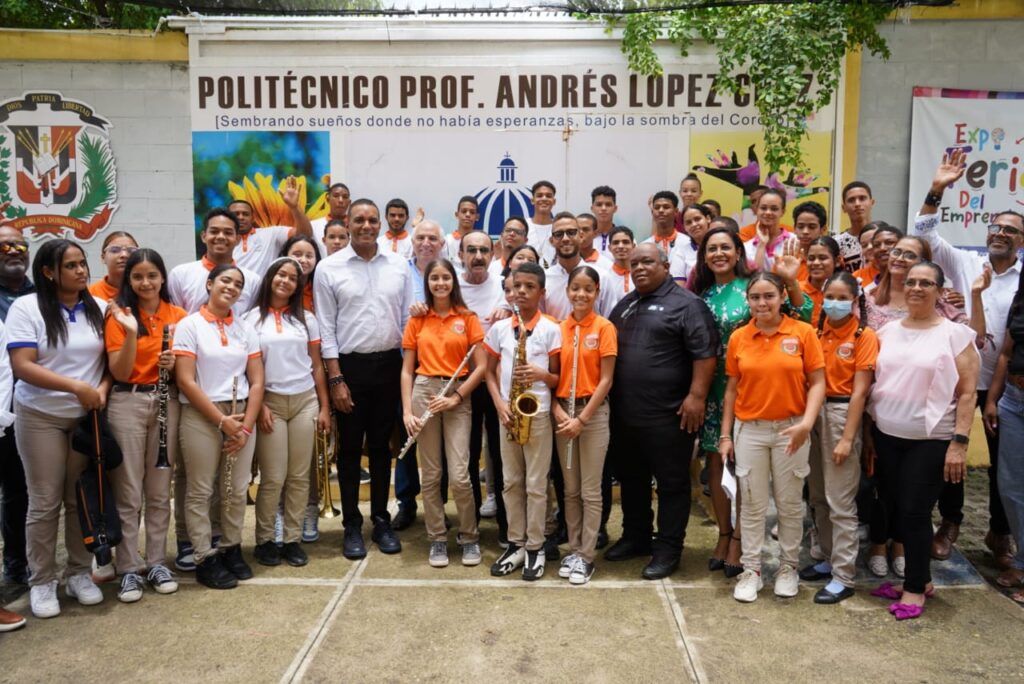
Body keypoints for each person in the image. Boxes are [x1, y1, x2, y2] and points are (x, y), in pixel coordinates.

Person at [915, 149, 1023, 568]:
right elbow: (924, 232)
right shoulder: (966, 262)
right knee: (951, 453)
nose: (999, 233)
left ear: (1021, 240)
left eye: (1010, 230)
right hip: (960, 380)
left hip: (1003, 383)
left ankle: (1000, 530)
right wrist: (937, 188)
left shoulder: (1023, 275)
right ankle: (951, 523)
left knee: (1005, 464)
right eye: (995, 226)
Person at [690, 228, 812, 578]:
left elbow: (800, 316)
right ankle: (723, 534)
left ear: (738, 251)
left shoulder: (753, 288)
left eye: (725, 247)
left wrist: (790, 281)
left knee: (745, 471)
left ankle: (742, 540)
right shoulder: (701, 295)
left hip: (750, 386)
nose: (718, 254)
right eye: (711, 248)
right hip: (712, 389)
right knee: (715, 465)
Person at [866, 261, 979, 620]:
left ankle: (914, 587)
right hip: (887, 435)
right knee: (898, 507)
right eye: (911, 281)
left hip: (930, 439)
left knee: (915, 511)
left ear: (939, 290)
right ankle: (921, 579)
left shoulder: (955, 335)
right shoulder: (886, 331)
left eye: (925, 283)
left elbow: (966, 394)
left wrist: (959, 442)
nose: (916, 288)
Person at [7, 239, 110, 618]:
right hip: (41, 415)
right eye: (71, 265)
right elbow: (23, 365)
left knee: (78, 498)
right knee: (45, 500)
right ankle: (42, 580)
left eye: (83, 264)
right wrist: (77, 388)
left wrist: (99, 389)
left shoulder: (96, 307)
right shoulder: (27, 307)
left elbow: (107, 365)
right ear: (49, 272)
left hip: (84, 419)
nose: (82, 271)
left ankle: (79, 573)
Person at [605, 243, 719, 579]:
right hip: (626, 415)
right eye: (634, 263)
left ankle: (669, 548)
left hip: (670, 415)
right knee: (632, 479)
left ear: (666, 265)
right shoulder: (625, 305)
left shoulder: (688, 304)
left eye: (647, 262)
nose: (639, 267)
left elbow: (705, 354)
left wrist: (696, 396)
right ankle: (636, 537)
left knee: (671, 484)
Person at [314, 199, 414, 560]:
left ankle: (380, 520)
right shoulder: (329, 268)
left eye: (373, 220)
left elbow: (406, 321)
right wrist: (337, 379)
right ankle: (352, 526)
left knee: (382, 448)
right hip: (350, 370)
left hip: (389, 366)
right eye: (360, 220)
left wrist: (409, 373)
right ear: (348, 223)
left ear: (380, 224)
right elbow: (326, 328)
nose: (367, 226)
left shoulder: (399, 265)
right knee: (350, 451)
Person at [720, 271, 826, 603]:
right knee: (750, 504)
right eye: (755, 297)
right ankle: (751, 570)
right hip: (749, 430)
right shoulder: (740, 337)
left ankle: (788, 567)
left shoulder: (803, 332)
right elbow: (731, 390)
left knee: (790, 504)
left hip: (791, 430)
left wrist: (807, 424)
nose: (762, 303)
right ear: (747, 301)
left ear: (782, 296)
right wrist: (726, 435)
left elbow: (818, 382)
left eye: (769, 296)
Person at [173, 264, 264, 590]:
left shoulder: (244, 327)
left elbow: (256, 381)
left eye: (238, 284)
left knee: (237, 489)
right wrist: (221, 421)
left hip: (240, 414)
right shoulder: (189, 325)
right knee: (201, 489)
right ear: (210, 284)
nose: (232, 287)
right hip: (202, 414)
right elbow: (184, 379)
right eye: (225, 280)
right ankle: (203, 556)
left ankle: (230, 547)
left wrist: (245, 426)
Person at [104, 249, 187, 602]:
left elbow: (189, 373)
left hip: (166, 399)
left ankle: (155, 561)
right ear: (129, 280)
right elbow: (120, 371)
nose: (145, 282)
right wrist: (133, 334)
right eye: (137, 276)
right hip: (128, 400)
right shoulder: (119, 315)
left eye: (152, 275)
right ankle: (127, 568)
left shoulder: (179, 316)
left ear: (162, 277)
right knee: (128, 491)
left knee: (158, 489)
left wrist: (173, 362)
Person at [401, 258, 488, 568]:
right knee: (432, 474)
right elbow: (407, 371)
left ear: (454, 281)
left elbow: (481, 367)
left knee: (461, 476)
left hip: (456, 395)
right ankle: (437, 537)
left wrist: (457, 398)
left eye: (445, 278)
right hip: (424, 391)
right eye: (434, 278)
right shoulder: (417, 320)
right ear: (428, 283)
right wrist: (407, 412)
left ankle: (469, 536)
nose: (440, 283)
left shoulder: (467, 317)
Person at [245, 258, 329, 569]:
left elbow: (317, 365)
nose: (286, 281)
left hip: (305, 401)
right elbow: (247, 369)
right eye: (281, 274)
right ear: (270, 277)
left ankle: (292, 539)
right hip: (271, 404)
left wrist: (324, 406)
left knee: (298, 477)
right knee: (273, 477)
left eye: (293, 278)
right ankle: (266, 540)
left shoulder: (306, 319)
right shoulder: (251, 319)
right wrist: (261, 405)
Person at [801, 271, 879, 604]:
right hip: (812, 413)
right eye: (828, 296)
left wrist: (848, 438)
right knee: (817, 495)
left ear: (854, 300)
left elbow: (860, 393)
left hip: (841, 414)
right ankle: (828, 559)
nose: (834, 303)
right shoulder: (816, 333)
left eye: (841, 297)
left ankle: (844, 575)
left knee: (840, 500)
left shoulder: (864, 336)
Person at [485, 262, 561, 580]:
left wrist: (542, 374)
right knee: (511, 482)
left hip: (538, 415)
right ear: (511, 290)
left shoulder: (551, 328)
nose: (523, 292)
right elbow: (488, 372)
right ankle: (515, 544)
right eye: (518, 287)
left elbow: (558, 379)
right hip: (508, 415)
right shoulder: (501, 329)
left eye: (530, 287)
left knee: (536, 485)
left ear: (542, 292)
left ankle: (535, 546)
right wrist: (500, 404)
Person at [552, 266, 617, 585]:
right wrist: (558, 411)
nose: (581, 294)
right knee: (570, 489)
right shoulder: (557, 328)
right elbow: (551, 379)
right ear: (567, 290)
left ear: (597, 292)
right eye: (575, 288)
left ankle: (587, 555)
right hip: (563, 412)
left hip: (591, 413)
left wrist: (583, 419)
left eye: (588, 289)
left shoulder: (604, 328)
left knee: (591, 491)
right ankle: (574, 549)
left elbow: (606, 379)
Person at [393, 219, 447, 531]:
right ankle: (406, 502)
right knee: (408, 435)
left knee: (439, 442)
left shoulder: (449, 273)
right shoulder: (399, 270)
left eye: (432, 238)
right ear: (411, 242)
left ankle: (438, 503)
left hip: (440, 369)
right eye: (420, 238)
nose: (426, 243)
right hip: (406, 366)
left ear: (442, 244)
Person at [459, 231, 511, 538]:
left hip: (496, 380)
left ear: (493, 254)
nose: (478, 256)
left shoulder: (505, 287)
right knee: (466, 453)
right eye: (471, 250)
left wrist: (507, 311)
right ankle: (470, 526)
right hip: (463, 380)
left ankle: (507, 524)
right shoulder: (452, 288)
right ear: (461, 254)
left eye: (483, 250)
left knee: (501, 453)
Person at [984, 268, 1024, 601]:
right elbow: (1006, 354)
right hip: (1013, 400)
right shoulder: (1020, 302)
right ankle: (1021, 560)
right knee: (1009, 486)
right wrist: (993, 400)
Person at [0, 224, 33, 589]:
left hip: (31, 407)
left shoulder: (42, 295)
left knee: (19, 490)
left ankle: (18, 563)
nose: (12, 250)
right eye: (3, 246)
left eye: (18, 245)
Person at [168, 208, 260, 315]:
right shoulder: (180, 274)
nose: (221, 236)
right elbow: (175, 317)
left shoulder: (252, 280)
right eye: (214, 231)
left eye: (228, 232)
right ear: (203, 236)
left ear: (237, 239)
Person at [229, 176, 313, 276]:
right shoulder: (222, 240)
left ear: (253, 218)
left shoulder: (270, 233)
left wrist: (294, 207)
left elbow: (304, 235)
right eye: (236, 214)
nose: (241, 217)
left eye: (245, 214)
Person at [543, 213, 617, 321]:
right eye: (559, 234)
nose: (565, 238)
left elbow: (610, 321)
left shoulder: (602, 277)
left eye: (571, 232)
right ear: (552, 241)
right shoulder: (544, 279)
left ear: (580, 236)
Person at [744, 189, 796, 271]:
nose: (768, 212)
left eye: (774, 209)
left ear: (783, 212)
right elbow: (754, 278)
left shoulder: (794, 241)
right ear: (757, 210)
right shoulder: (747, 247)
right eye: (763, 208)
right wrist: (761, 245)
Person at [669, 203, 713, 286]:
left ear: (708, 218)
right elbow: (679, 288)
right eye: (688, 222)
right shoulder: (681, 252)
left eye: (697, 219)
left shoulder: (721, 245)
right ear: (684, 227)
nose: (694, 224)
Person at [836, 181, 876, 272]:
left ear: (872, 203)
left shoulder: (884, 238)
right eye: (851, 200)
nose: (857, 204)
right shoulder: (836, 243)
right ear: (844, 208)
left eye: (862, 198)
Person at [801, 236, 841, 323]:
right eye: (811, 258)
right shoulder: (796, 291)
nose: (815, 263)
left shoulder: (845, 292)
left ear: (837, 261)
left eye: (822, 258)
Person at [88, 231, 138, 301]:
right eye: (115, 250)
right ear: (103, 257)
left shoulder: (144, 290)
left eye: (131, 251)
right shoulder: (90, 293)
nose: (124, 255)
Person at [280, 234, 322, 314]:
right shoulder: (278, 286)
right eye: (297, 255)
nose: (303, 260)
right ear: (286, 255)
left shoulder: (321, 288)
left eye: (309, 256)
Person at [526, 181, 557, 266]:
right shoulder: (523, 225)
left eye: (548, 196)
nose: (544, 198)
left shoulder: (559, 227)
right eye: (539, 195)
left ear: (554, 201)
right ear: (532, 200)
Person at [445, 196, 482, 261]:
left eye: (472, 212)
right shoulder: (447, 241)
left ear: (477, 217)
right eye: (464, 211)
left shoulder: (482, 242)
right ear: (457, 214)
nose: (468, 214)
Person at [606, 226, 636, 305]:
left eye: (625, 242)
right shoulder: (605, 277)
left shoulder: (642, 274)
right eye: (616, 243)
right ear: (609, 248)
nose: (620, 246)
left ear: (633, 246)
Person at [590, 186, 618, 260]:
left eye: (608, 204)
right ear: (592, 208)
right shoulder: (585, 238)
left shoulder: (625, 238)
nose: (603, 208)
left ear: (615, 209)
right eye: (599, 204)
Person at [853, 224, 881, 290]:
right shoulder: (857, 276)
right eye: (864, 245)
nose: (869, 247)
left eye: (873, 242)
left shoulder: (899, 273)